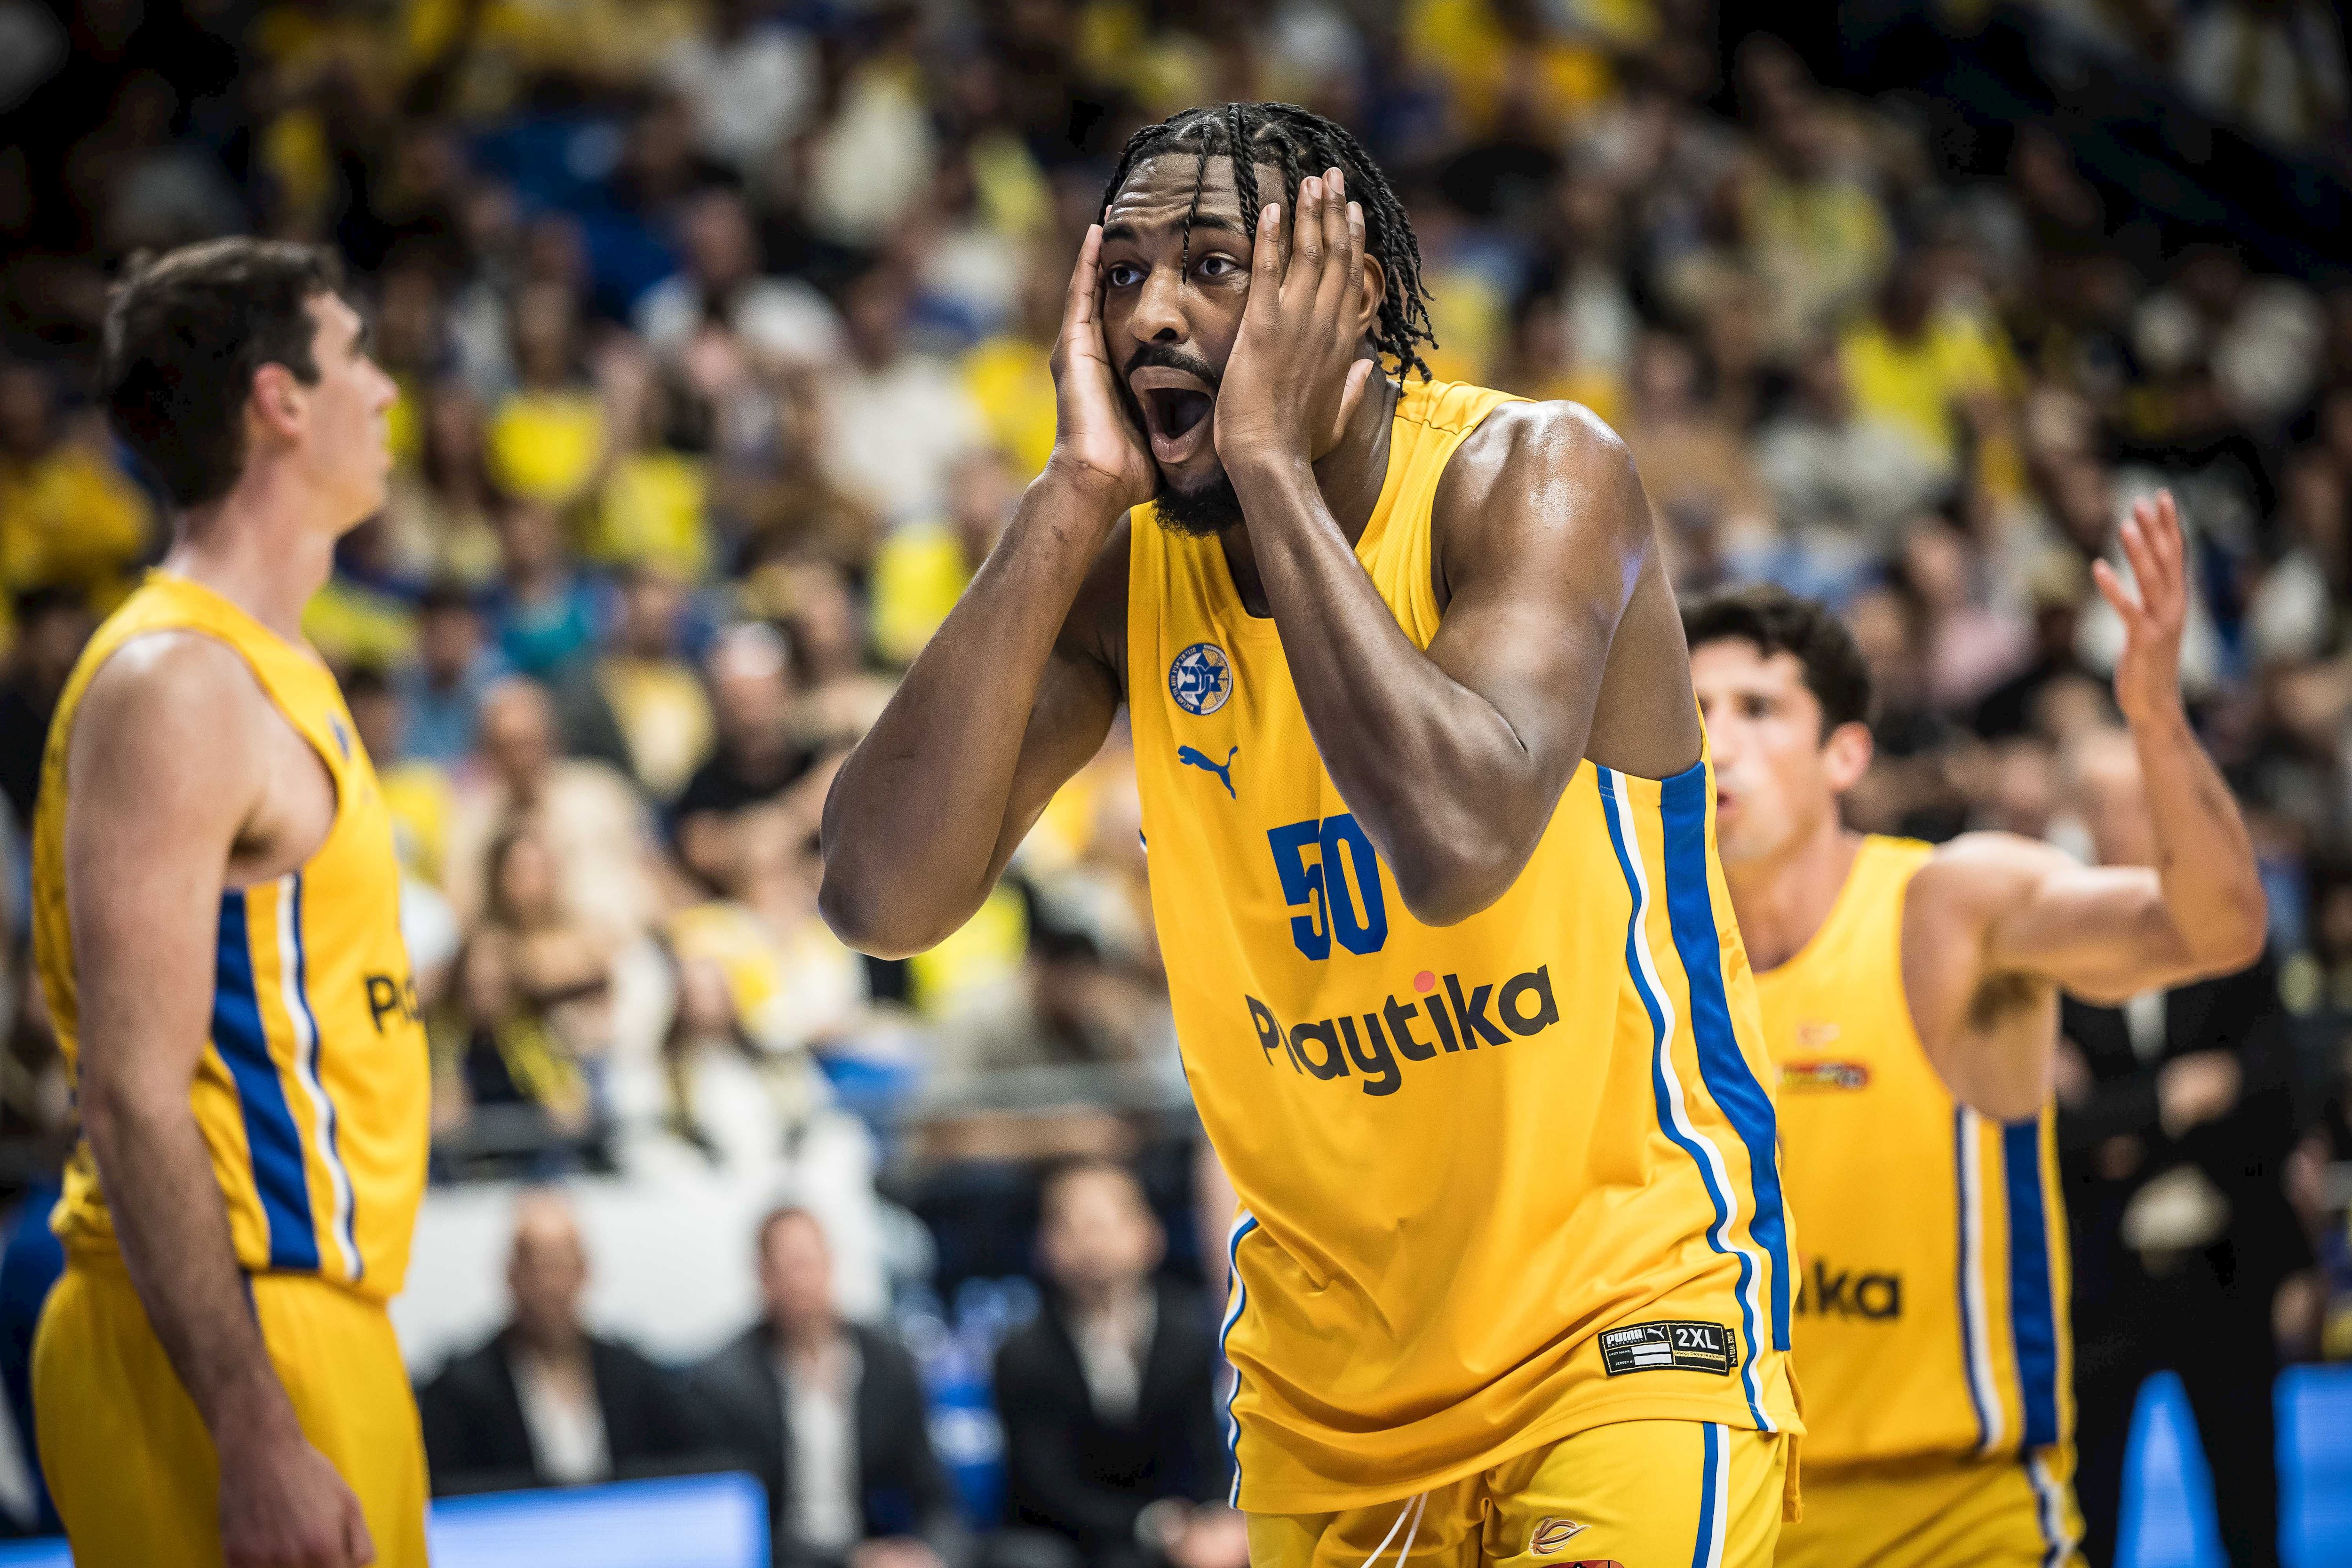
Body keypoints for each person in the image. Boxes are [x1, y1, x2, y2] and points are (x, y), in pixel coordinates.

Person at [821, 103, 1799, 1566]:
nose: (1152, 314)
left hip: (1624, 1324)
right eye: (1123, 274)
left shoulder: (1535, 476)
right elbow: (878, 896)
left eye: (1212, 265)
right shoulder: (1126, 577)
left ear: (1356, 295)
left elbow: (1456, 840)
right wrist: (1070, 494)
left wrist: (1270, 464)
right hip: (1326, 1398)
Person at [1682, 493, 2266, 1568]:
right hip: (1736, 1519)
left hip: (1957, 1521)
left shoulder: (1947, 907)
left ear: (1846, 756)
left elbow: (2217, 926)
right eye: (1695, 710)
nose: (1717, 740)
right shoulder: (1649, 959)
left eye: (1759, 708)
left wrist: (2155, 719)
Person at [29, 239, 430, 1567]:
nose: (386, 388)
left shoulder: (269, 662)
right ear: (280, 400)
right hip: (230, 1338)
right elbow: (132, 1090)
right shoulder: (178, 682)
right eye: (356, 354)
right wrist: (252, 1421)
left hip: (314, 1315)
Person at [2055, 727, 2308, 1568]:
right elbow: (2047, 1126)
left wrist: (2115, 1119)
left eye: (2140, 802)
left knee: (2251, 1508)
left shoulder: (2231, 930)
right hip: (2099, 1280)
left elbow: (2278, 1090)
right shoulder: (2049, 947)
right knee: (2089, 1518)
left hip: (2225, 1266)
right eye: (2102, 804)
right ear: (2078, 815)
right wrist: (2173, 1098)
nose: (2123, 821)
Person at [994, 1159, 1241, 1568]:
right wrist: (1153, 1526)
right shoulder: (1023, 1355)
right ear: (1044, 1245)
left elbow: (1205, 1453)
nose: (1093, 1243)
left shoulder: (1188, 1336)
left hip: (1180, 1531)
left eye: (1107, 1223)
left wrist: (1216, 1519)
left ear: (1151, 1233)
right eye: (1072, 1227)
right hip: (1072, 1539)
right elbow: (1045, 1487)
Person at [691, 1206, 966, 1568]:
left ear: (831, 1263)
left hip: (880, 1547)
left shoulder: (887, 1362)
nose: (802, 1283)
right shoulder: (726, 1383)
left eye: (809, 1263)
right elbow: (738, 1523)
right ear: (764, 1278)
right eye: (788, 1268)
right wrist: (850, 1559)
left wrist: (930, 1553)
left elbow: (934, 1494)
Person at [417, 1190, 714, 1494]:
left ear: (585, 1270)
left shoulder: (633, 1376)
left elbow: (690, 1465)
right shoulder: (461, 1389)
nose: (549, 1285)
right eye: (535, 1267)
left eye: (559, 1266)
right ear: (511, 1274)